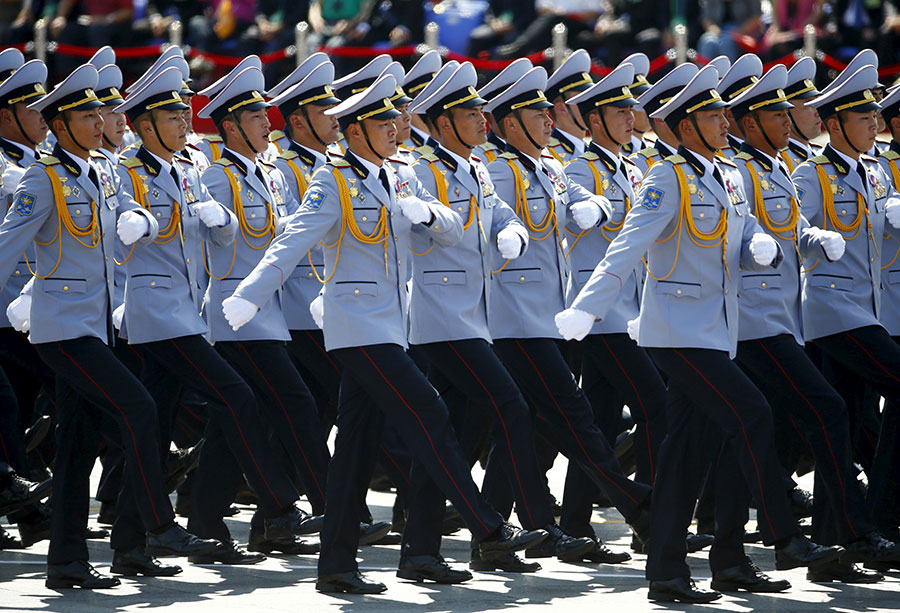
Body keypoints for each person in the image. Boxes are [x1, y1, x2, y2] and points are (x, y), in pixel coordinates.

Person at [223, 73, 549, 594]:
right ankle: (487, 524)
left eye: (397, 120)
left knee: (355, 447)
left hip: (393, 324)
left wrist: (428, 212)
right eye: (383, 122)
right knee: (430, 411)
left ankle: (342, 564)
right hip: (355, 323)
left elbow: (448, 223)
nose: (397, 130)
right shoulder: (333, 181)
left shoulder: (399, 174)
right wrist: (250, 296)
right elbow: (292, 242)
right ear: (354, 133)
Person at [556, 64, 843, 603]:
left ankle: (688, 568)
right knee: (752, 412)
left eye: (722, 114)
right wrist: (587, 308)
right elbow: (627, 246)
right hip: (676, 330)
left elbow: (748, 229)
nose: (723, 123)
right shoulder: (667, 177)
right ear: (686, 127)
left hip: (719, 329)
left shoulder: (729, 174)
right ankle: (784, 536)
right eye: (712, 116)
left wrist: (767, 245)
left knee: (691, 451)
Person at [0, 62, 221, 589]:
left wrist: (141, 221)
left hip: (98, 325)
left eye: (100, 111)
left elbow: (124, 231)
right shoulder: (42, 178)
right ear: (59, 125)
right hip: (61, 328)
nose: (100, 121)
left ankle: (70, 561)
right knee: (139, 407)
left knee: (77, 447)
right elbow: (6, 247)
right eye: (85, 114)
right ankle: (158, 525)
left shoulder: (104, 170)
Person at [406, 61, 595, 578]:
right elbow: (419, 236)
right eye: (470, 112)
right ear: (444, 122)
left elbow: (498, 213)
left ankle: (426, 550)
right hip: (440, 316)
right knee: (511, 406)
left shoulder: (476, 166)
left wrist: (511, 229)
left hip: (475, 316)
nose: (482, 119)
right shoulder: (421, 170)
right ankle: (533, 522)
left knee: (457, 436)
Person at [731, 63, 896, 584]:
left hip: (868, 307)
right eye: (861, 114)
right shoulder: (809, 173)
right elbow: (781, 231)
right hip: (829, 308)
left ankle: (833, 543)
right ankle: (881, 513)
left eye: (874, 112)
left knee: (841, 417)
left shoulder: (873, 171)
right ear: (835, 123)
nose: (874, 121)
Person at [559, 62, 667, 561]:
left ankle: (576, 526)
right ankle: (652, 519)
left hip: (628, 305)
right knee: (654, 406)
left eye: (630, 108)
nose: (631, 116)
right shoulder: (579, 169)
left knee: (600, 419)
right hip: (600, 309)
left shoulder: (630, 165)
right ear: (593, 120)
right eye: (618, 110)